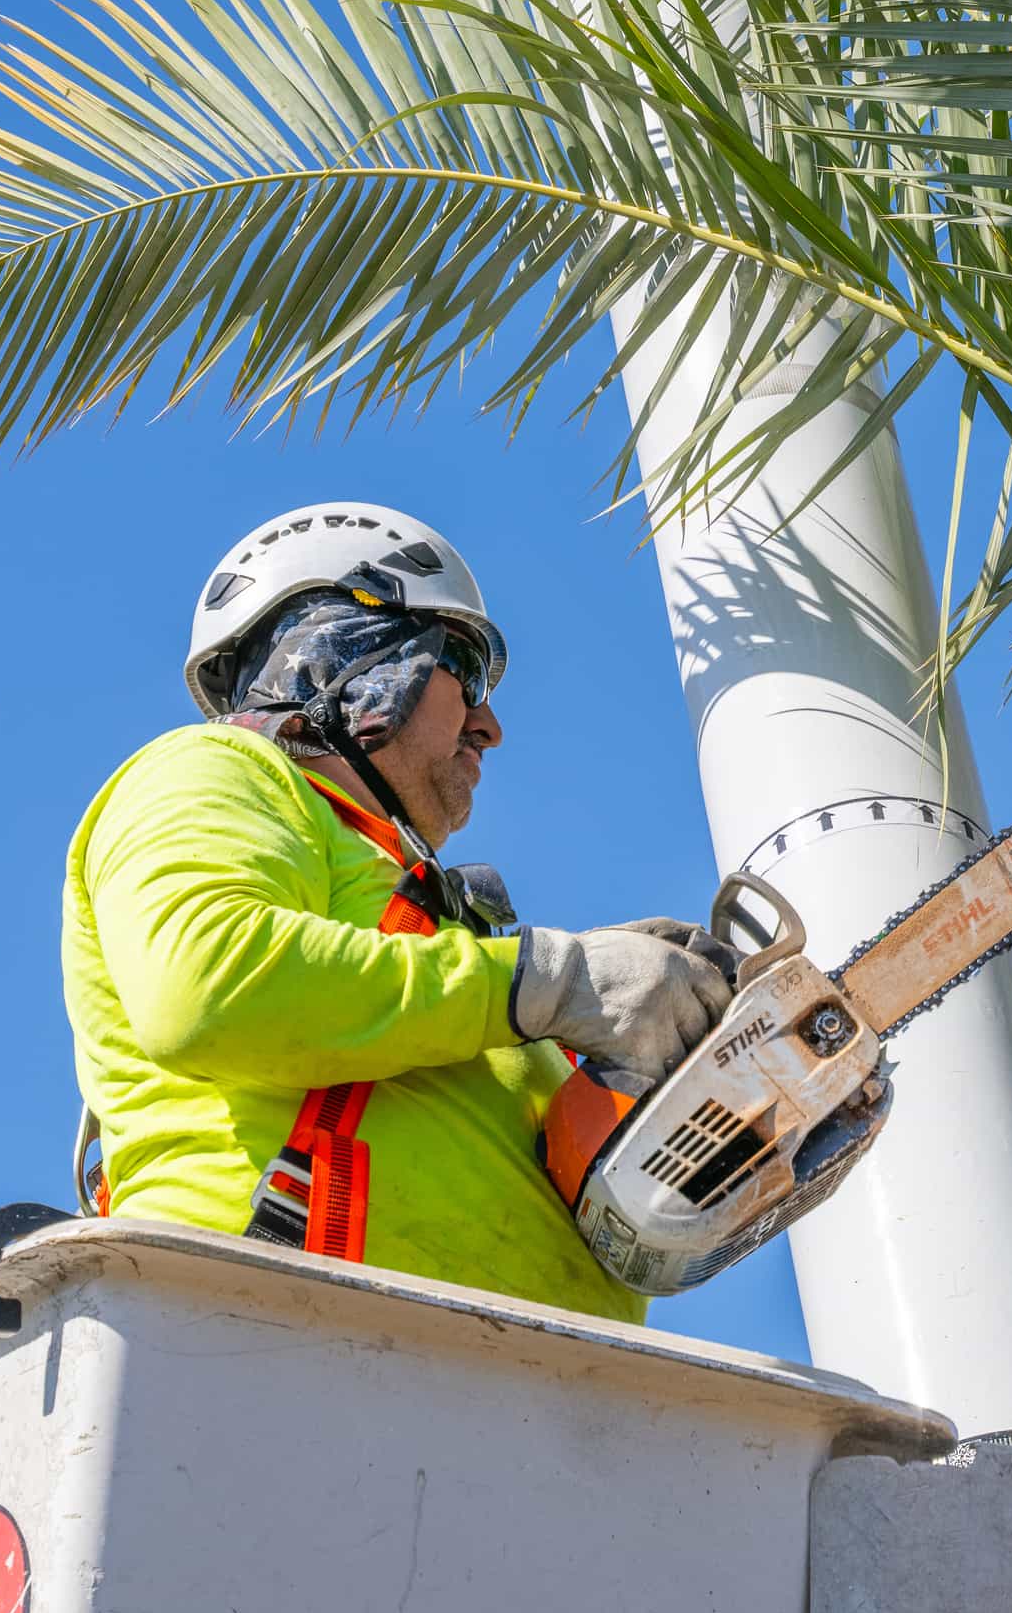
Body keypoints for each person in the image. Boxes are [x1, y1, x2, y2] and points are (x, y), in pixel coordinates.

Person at [61, 501, 731, 1322]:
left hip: (529, 1397)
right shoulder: (214, 771)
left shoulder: (446, 958)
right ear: (343, 657)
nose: (488, 725)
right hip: (270, 1337)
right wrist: (558, 980)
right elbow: (209, 985)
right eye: (463, 669)